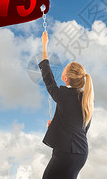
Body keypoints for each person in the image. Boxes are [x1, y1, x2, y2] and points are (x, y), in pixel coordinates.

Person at [38, 31, 94, 179]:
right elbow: (81, 127)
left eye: (64, 69)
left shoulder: (64, 95)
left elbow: (48, 79)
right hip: (81, 154)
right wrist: (58, 126)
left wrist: (44, 45)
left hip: (65, 154)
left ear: (65, 78)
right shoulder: (87, 98)